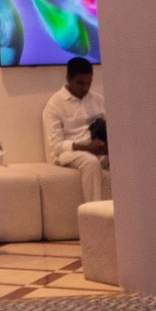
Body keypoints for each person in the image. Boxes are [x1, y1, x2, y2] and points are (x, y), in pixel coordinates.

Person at [44, 55, 112, 202]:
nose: (85, 88)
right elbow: (56, 145)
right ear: (68, 78)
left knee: (126, 155)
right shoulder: (55, 105)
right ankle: (94, 209)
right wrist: (87, 148)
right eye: (80, 83)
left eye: (89, 83)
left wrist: (108, 145)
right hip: (69, 153)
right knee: (90, 161)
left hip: (97, 148)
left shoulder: (98, 100)